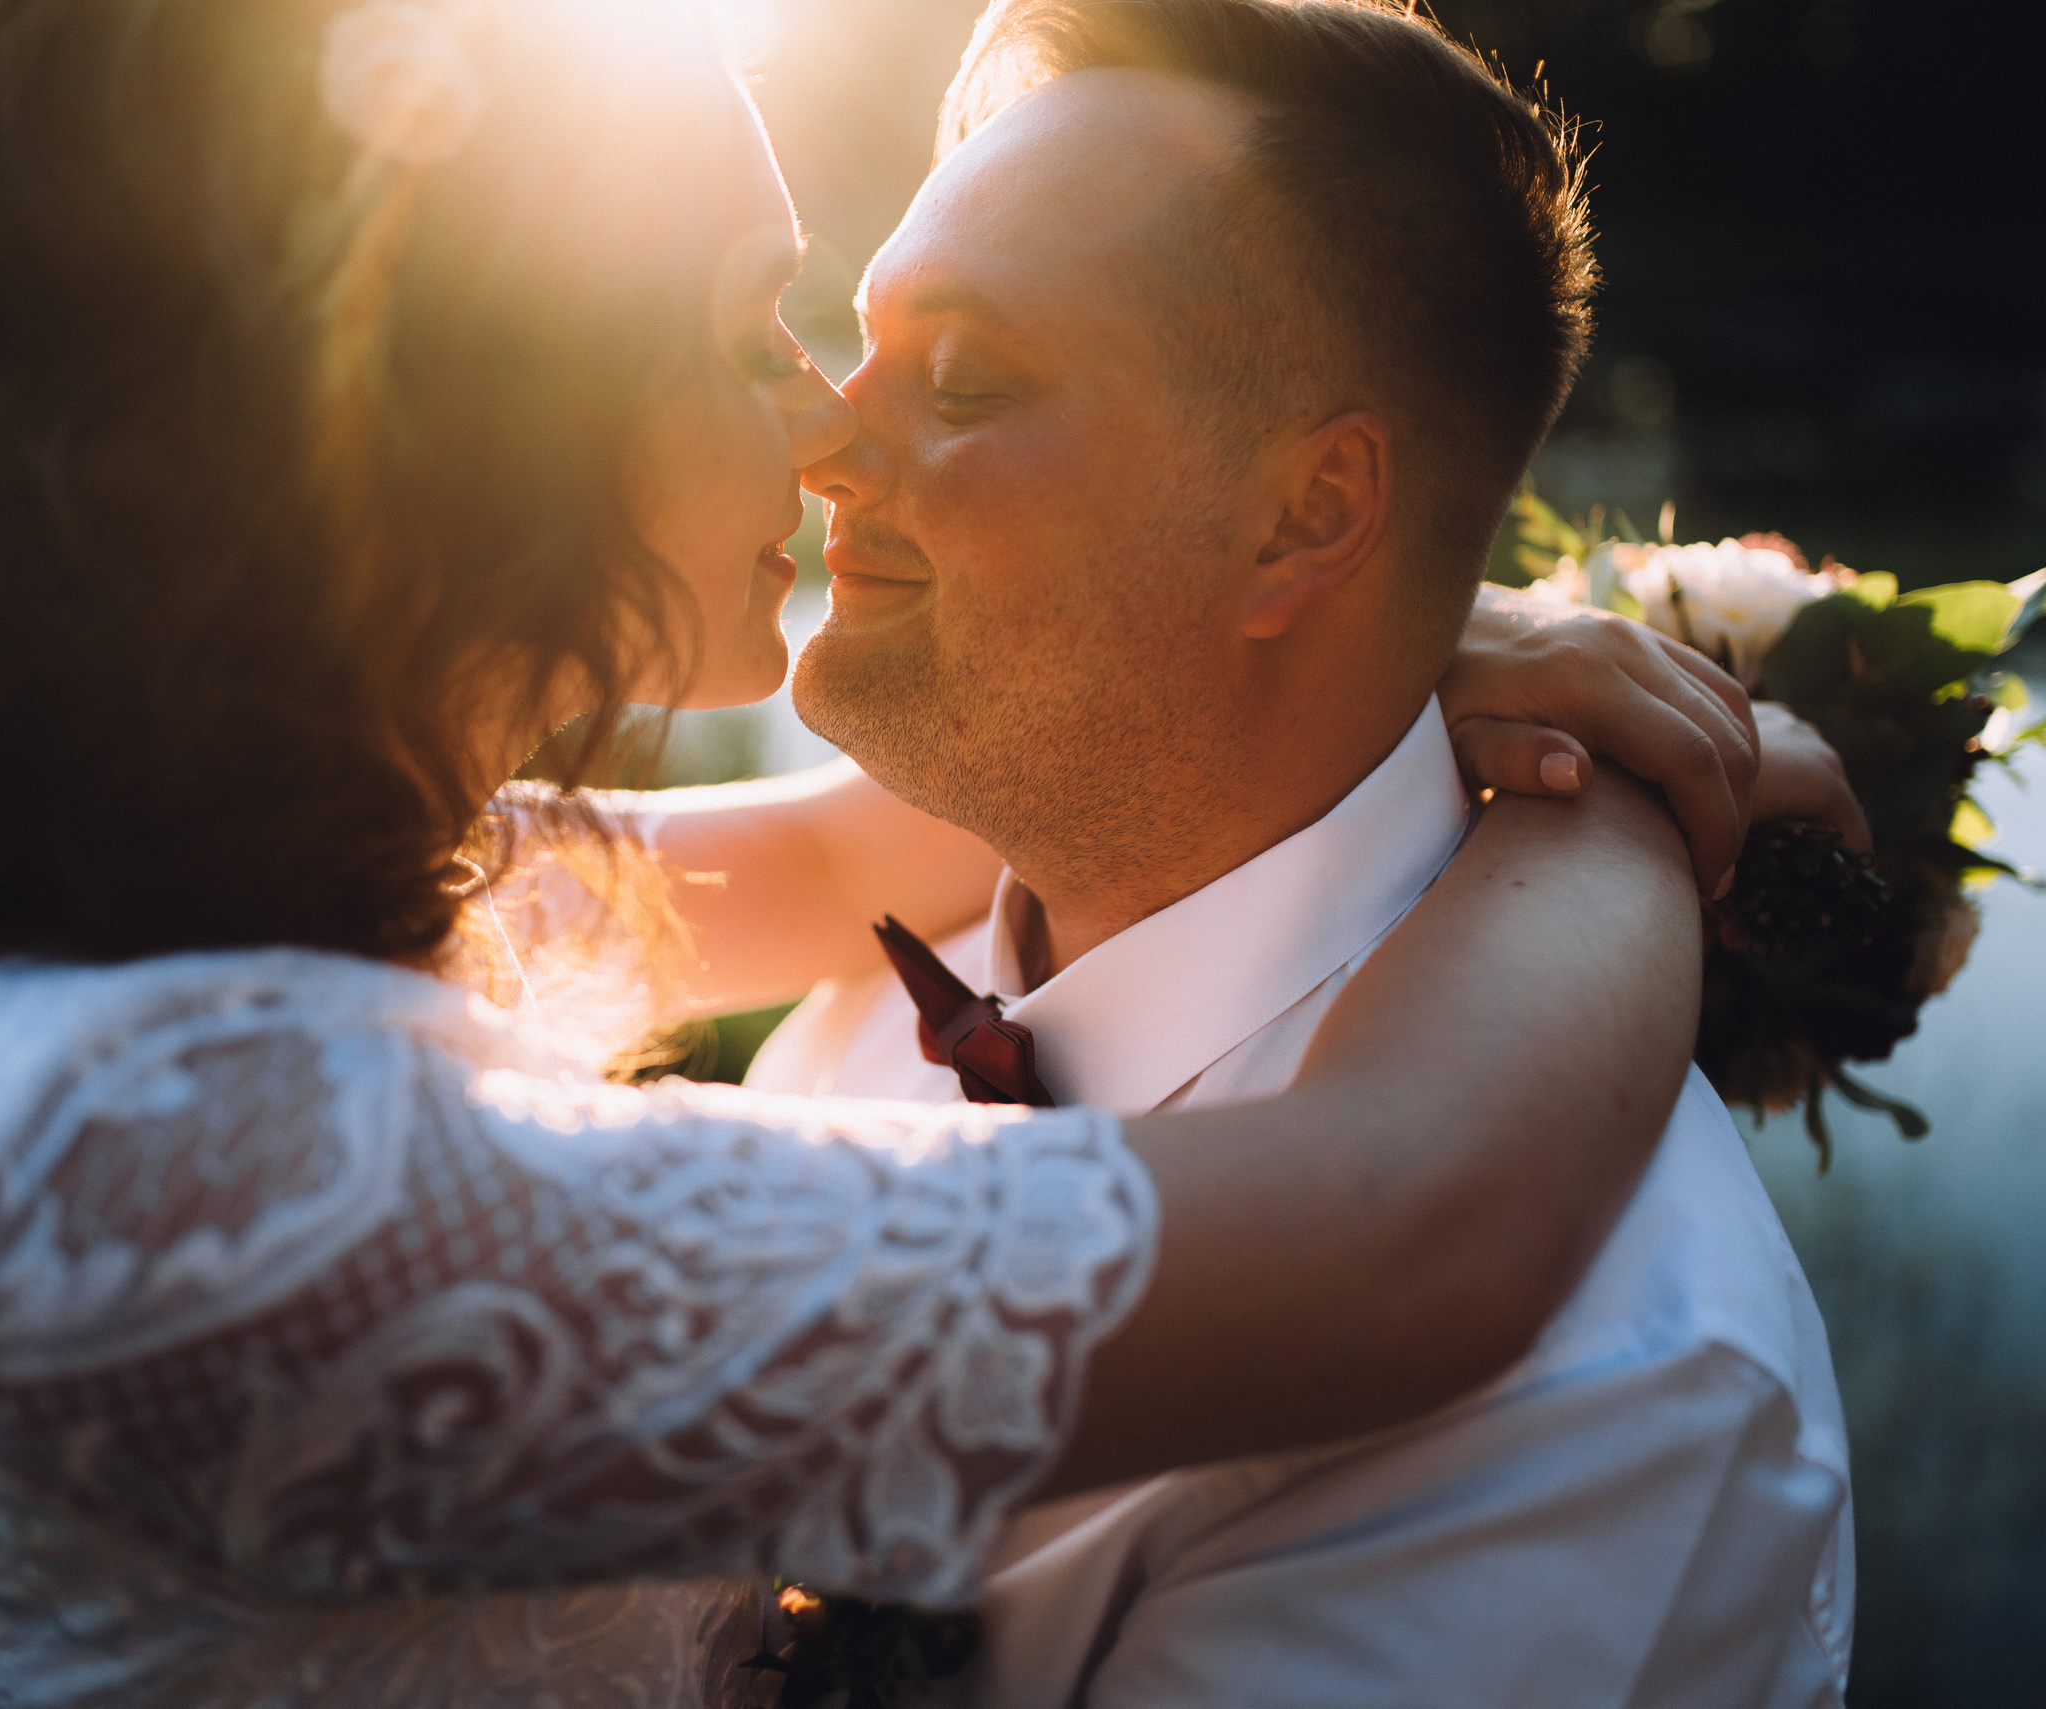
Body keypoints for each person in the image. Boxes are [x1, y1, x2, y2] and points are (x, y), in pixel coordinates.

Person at [0, 1, 1755, 1706]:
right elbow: (1404, 1229)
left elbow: (870, 827)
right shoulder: (161, 1177)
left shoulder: (88, 890)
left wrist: (1404, 632)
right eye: (751, 322)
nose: (815, 419)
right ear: (462, 405)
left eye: (939, 366)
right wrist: (1629, 825)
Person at [746, 2, 1855, 1705]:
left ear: (1308, 516)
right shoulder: (847, 1007)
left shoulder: (1589, 1384)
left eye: (962, 380)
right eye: (858, 342)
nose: (823, 440)